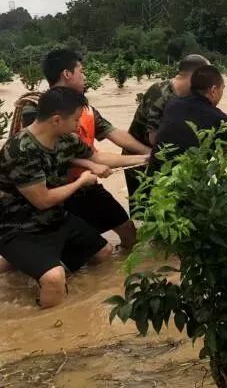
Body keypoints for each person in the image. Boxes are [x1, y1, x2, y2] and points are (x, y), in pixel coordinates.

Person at [0, 88, 148, 308]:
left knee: (104, 253)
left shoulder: (66, 138)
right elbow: (43, 200)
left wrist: (145, 157)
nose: (79, 125)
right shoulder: (20, 149)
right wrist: (80, 181)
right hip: (19, 227)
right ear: (57, 119)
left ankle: (75, 301)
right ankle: (49, 327)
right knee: (54, 278)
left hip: (55, 218)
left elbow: (96, 156)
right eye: (76, 119)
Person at [19, 49, 150, 249]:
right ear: (67, 74)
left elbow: (114, 134)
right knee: (72, 252)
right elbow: (44, 152)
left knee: (129, 233)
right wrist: (90, 164)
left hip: (88, 186)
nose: (85, 76)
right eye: (82, 71)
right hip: (56, 191)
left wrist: (148, 153)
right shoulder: (37, 108)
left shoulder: (86, 109)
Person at [124, 54, 209, 200]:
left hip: (164, 160)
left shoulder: (189, 96)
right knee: (147, 213)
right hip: (140, 162)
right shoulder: (160, 94)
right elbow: (155, 139)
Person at [149, 65, 227, 173]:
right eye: (222, 88)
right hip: (183, 185)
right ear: (214, 90)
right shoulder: (218, 118)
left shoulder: (172, 104)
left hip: (153, 180)